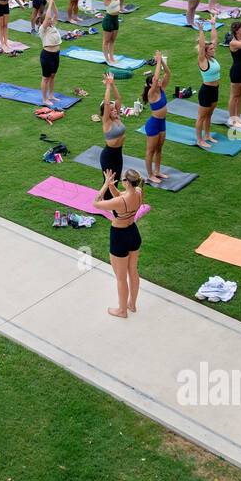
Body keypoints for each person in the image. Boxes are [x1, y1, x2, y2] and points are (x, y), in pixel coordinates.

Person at [91, 169, 145, 319]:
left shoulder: (120, 201)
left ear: (127, 182)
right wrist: (112, 187)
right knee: (133, 271)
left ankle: (122, 310)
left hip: (119, 237)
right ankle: (131, 304)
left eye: (122, 180)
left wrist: (105, 185)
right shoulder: (139, 191)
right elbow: (122, 198)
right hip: (133, 233)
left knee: (121, 278)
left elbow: (96, 203)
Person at [140, 53, 170, 184]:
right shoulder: (151, 93)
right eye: (155, 81)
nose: (158, 81)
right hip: (153, 124)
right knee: (150, 150)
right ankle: (150, 174)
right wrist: (158, 61)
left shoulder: (161, 89)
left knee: (159, 148)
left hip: (162, 123)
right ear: (151, 84)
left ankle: (157, 171)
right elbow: (157, 75)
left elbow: (168, 74)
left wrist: (163, 62)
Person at [192, 18, 221, 149]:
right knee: (202, 116)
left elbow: (214, 40)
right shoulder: (203, 61)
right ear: (205, 51)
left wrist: (213, 25)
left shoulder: (212, 58)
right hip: (206, 91)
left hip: (215, 90)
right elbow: (203, 45)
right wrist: (201, 30)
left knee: (210, 114)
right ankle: (199, 139)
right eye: (211, 49)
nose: (214, 49)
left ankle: (208, 135)